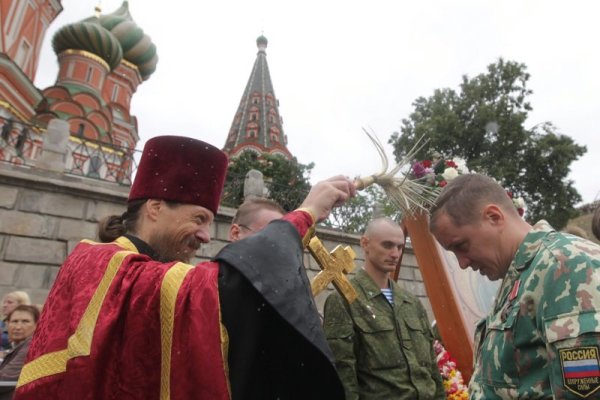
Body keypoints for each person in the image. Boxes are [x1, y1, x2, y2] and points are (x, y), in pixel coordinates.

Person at [15, 135, 354, 400]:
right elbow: (222, 288)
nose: (207, 236)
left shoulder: (143, 270)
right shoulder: (96, 260)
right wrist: (304, 214)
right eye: (199, 219)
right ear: (155, 207)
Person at [429, 173, 600, 399]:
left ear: (494, 216)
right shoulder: (520, 274)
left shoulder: (565, 267)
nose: (462, 263)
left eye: (462, 245)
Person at [323, 218, 445, 400]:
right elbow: (342, 373)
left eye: (400, 247)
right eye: (387, 245)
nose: (395, 253)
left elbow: (432, 371)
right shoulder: (345, 299)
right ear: (365, 243)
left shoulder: (411, 303)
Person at [0, 305, 39, 400]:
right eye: (14, 321)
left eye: (25, 321)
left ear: (37, 325)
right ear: (7, 324)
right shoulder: (23, 344)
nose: (18, 327)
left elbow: (4, 379)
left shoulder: (31, 345)